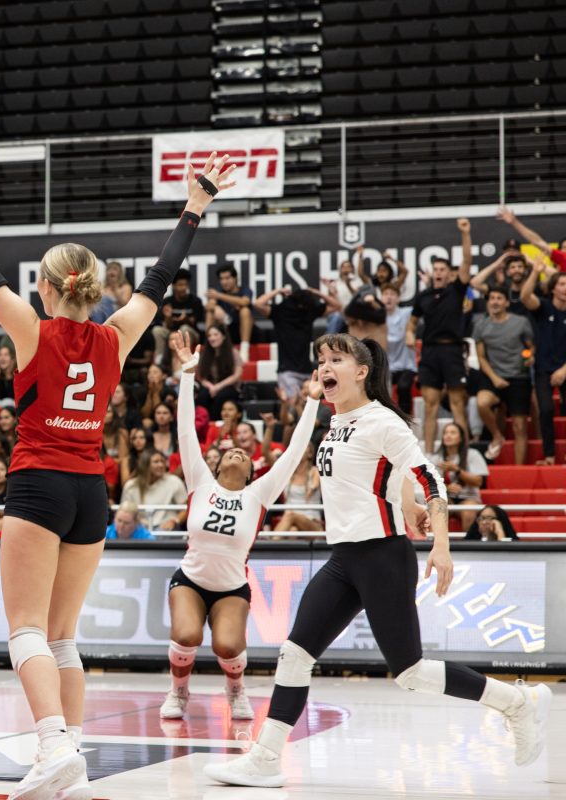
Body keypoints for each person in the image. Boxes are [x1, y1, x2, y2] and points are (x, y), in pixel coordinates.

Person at [0, 138, 234, 799]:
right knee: (62, 636)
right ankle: (71, 758)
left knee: (25, 629)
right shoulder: (117, 335)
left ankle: (52, 744)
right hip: (92, 492)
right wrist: (194, 207)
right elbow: (158, 281)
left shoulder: (31, 329)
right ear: (91, 286)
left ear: (48, 287)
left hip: (37, 484)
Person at [205, 333, 550, 789]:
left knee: (410, 673)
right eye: (321, 360)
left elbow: (431, 479)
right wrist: (404, 502)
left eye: (336, 360)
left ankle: (518, 703)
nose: (324, 367)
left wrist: (442, 546)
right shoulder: (337, 421)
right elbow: (378, 477)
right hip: (344, 558)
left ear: (362, 371)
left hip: (383, 556)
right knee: (294, 654)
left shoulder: (383, 421)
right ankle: (267, 757)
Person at [162, 330, 320, 720]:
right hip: (191, 580)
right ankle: (178, 692)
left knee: (228, 647)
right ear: (216, 466)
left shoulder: (260, 494)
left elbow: (296, 450)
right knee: (186, 637)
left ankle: (236, 690)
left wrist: (312, 403)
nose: (235, 450)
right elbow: (185, 430)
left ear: (252, 470)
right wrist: (186, 375)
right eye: (228, 450)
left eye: (243, 453)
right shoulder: (200, 480)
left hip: (232, 586)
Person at [409, 219, 473, 453]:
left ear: (449, 274)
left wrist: (465, 234)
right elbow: (413, 320)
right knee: (430, 406)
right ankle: (427, 454)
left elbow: (467, 261)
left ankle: (463, 452)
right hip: (430, 351)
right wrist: (409, 333)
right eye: (435, 269)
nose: (438, 273)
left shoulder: (456, 290)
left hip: (452, 350)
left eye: (442, 270)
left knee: (457, 404)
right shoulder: (423, 296)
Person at [473, 286, 535, 463]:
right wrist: (494, 378)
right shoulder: (480, 325)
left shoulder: (521, 322)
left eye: (499, 298)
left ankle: (519, 471)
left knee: (520, 426)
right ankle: (497, 436)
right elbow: (481, 357)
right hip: (493, 375)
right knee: (482, 402)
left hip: (519, 377)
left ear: (507, 303)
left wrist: (529, 357)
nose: (495, 301)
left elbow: (531, 348)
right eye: (491, 298)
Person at [254, 286, 335, 417]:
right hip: (289, 370)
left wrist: (278, 291)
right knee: (293, 409)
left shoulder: (286, 310)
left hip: (303, 370)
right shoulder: (292, 311)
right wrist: (317, 292)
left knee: (309, 407)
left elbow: (258, 303)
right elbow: (336, 305)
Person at [520, 262, 566, 465]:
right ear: (554, 287)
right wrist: (535, 273)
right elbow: (525, 297)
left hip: (565, 368)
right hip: (543, 368)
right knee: (545, 409)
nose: (565, 288)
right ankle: (549, 456)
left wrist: (564, 370)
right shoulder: (544, 306)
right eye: (563, 284)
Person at [436, 421, 488, 532]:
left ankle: (468, 546)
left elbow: (479, 482)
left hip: (469, 497)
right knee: (436, 507)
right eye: (445, 433)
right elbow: (429, 483)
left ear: (461, 438)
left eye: (453, 432)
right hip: (446, 498)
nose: (448, 435)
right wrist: (447, 488)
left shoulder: (473, 454)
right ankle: (433, 544)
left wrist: (457, 470)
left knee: (468, 510)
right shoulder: (437, 458)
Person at [379, 283, 418, 417]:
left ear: (398, 299)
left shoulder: (406, 313)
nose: (388, 298)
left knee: (403, 387)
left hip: (406, 365)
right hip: (386, 366)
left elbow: (421, 308)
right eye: (385, 294)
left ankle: (406, 419)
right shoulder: (377, 317)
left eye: (392, 294)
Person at [271, 441, 323, 535]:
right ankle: (270, 546)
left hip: (312, 522)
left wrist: (312, 487)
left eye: (303, 447)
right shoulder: (287, 473)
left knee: (290, 515)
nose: (299, 449)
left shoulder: (315, 471)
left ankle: (267, 547)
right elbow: (267, 454)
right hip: (290, 522)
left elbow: (314, 485)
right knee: (293, 531)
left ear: (310, 454)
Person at [206, 265, 255, 361]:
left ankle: (244, 350)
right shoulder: (218, 292)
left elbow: (244, 302)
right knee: (211, 311)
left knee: (245, 310)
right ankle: (209, 345)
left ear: (235, 278)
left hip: (245, 331)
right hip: (226, 330)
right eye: (221, 279)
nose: (224, 282)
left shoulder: (245, 290)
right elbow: (209, 306)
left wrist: (220, 296)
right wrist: (215, 307)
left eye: (227, 278)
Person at [195, 323, 242, 416]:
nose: (212, 338)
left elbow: (237, 374)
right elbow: (200, 376)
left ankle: (216, 422)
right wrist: (211, 387)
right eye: (209, 335)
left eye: (215, 335)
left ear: (224, 336)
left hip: (228, 385)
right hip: (210, 385)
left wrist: (218, 387)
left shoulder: (233, 353)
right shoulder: (204, 354)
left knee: (221, 396)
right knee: (202, 396)